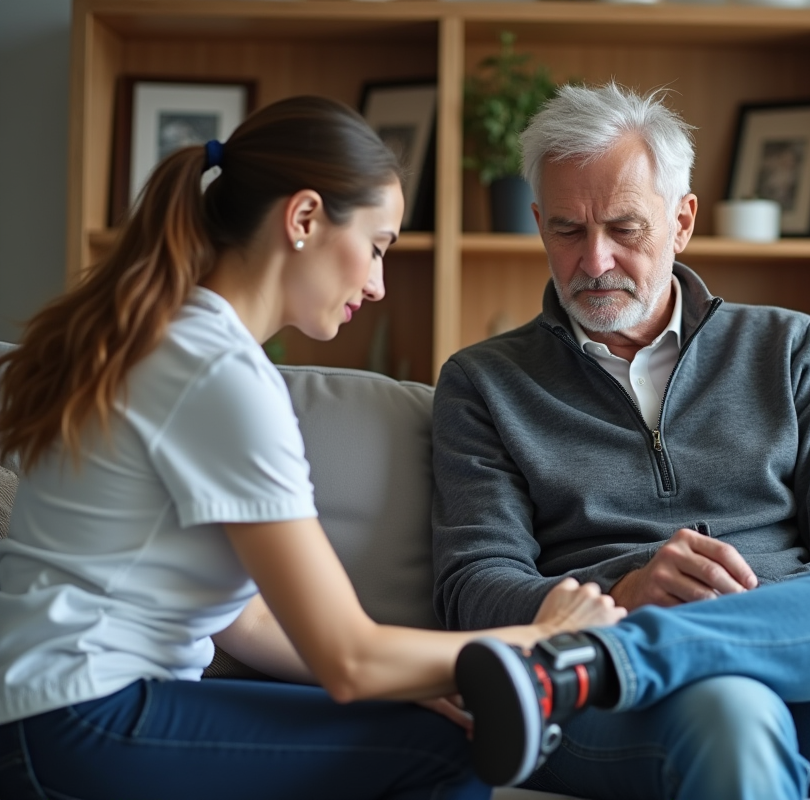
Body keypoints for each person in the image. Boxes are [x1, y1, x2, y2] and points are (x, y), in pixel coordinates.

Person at [0, 95, 624, 800]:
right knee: (445, 755)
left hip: (45, 714)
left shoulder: (172, 340)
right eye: (378, 246)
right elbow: (348, 658)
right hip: (75, 720)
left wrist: (411, 680)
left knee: (421, 731)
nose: (379, 283)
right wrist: (543, 638)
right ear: (302, 219)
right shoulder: (216, 376)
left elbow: (247, 619)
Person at [432, 83, 810, 799]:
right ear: (537, 223)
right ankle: (632, 663)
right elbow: (471, 590)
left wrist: (755, 621)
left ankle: (619, 656)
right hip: (630, 718)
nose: (593, 262)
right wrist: (621, 593)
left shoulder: (790, 347)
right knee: (731, 706)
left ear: (681, 221)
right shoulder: (484, 382)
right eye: (567, 230)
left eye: (625, 228)